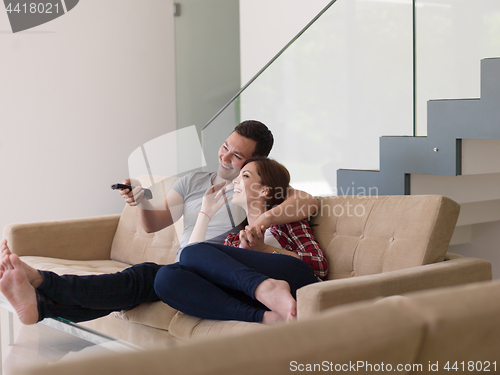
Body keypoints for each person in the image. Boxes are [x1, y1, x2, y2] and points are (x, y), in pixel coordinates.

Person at [0, 120, 320, 325]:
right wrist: (140, 200)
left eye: (237, 157)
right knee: (152, 279)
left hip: (220, 265)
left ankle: (42, 285)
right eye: (225, 147)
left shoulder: (256, 187)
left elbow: (308, 201)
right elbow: (153, 224)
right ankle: (42, 301)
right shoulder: (196, 182)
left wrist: (262, 219)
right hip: (195, 267)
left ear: (254, 162)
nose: (224, 157)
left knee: (172, 265)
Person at [154, 157, 328, 324]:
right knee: (165, 278)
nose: (235, 181)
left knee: (191, 252)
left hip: (296, 279)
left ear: (264, 190)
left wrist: (265, 249)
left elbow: (319, 266)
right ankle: (264, 317)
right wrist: (205, 212)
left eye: (244, 176)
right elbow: (190, 263)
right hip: (255, 299)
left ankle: (267, 288)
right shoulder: (234, 240)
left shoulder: (286, 223)